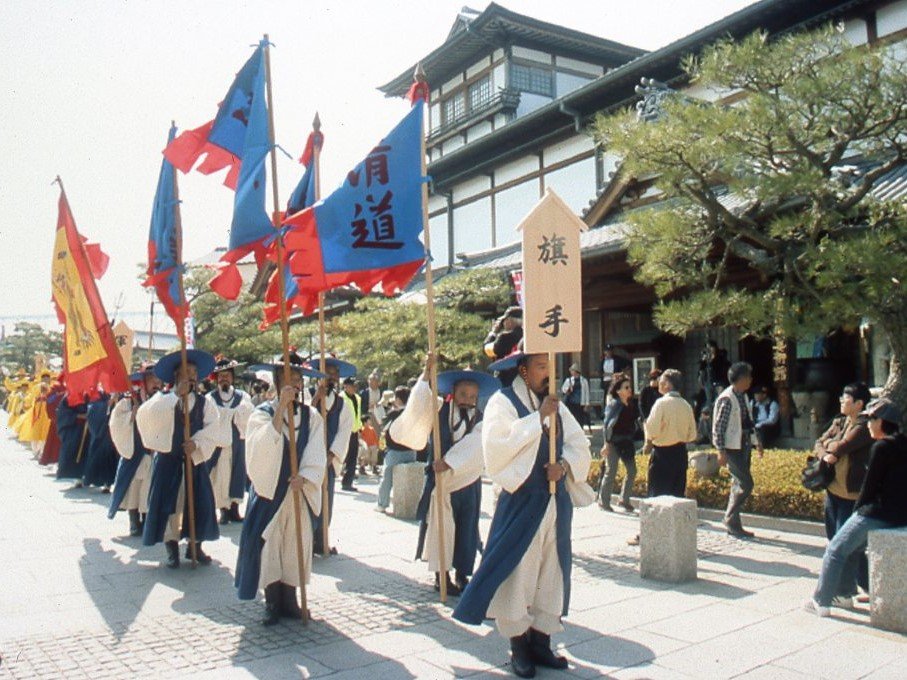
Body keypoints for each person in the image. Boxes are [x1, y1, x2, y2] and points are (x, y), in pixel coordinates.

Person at [454, 350, 591, 678]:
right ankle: (518, 644)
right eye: (541, 366)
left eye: (550, 366)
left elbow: (577, 443)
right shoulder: (503, 402)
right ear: (524, 370)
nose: (548, 373)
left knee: (553, 569)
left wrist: (566, 465)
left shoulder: (555, 402)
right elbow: (497, 446)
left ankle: (542, 640)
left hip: (555, 501)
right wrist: (537, 419)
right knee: (519, 571)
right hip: (522, 498)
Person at [235, 354, 326, 625]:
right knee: (271, 546)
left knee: (294, 545)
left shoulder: (311, 416)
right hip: (271, 491)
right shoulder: (261, 413)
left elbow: (316, 451)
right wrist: (280, 409)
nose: (295, 386)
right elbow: (259, 448)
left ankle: (291, 599)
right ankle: (273, 601)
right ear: (277, 382)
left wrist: (307, 476)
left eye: (298, 381)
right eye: (289, 380)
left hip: (298, 491)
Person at [402, 357, 499, 594]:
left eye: (473, 396)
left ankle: (462, 574)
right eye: (464, 394)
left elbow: (479, 444)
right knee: (440, 528)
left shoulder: (482, 417)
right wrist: (426, 374)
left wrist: (449, 461)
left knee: (467, 529)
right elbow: (418, 405)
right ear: (453, 392)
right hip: (440, 482)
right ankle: (441, 575)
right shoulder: (438, 410)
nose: (468, 400)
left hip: (467, 480)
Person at [805, 398, 907, 616]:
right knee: (854, 548)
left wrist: (857, 512)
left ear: (883, 422)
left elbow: (869, 487)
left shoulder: (881, 447)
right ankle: (844, 595)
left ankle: (821, 601)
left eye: (872, 419)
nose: (868, 423)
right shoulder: (903, 444)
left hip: (878, 513)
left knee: (835, 549)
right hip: (900, 515)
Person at [137, 349, 221, 568]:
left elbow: (214, 427)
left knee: (199, 503)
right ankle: (171, 547)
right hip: (168, 461)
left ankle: (196, 546)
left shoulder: (205, 403)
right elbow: (148, 416)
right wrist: (175, 396)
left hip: (194, 460)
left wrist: (198, 443)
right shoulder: (162, 399)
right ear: (175, 376)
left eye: (194, 371)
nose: (191, 376)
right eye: (186, 372)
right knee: (170, 505)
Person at [813, 382, 873, 604]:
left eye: (845, 399)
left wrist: (832, 449)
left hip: (851, 494)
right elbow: (819, 442)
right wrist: (827, 450)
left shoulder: (864, 425)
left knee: (843, 543)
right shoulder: (840, 421)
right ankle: (873, 585)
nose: (841, 401)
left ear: (858, 404)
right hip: (833, 490)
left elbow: (843, 446)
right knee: (839, 541)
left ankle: (845, 592)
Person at [306, 356, 355, 556]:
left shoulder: (342, 403)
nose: (331, 377)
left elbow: (345, 431)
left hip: (327, 458)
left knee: (326, 500)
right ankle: (306, 540)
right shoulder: (306, 394)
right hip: (308, 456)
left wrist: (332, 454)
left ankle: (322, 539)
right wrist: (316, 398)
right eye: (327, 372)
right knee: (308, 498)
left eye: (334, 374)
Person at [107, 364, 162, 537]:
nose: (156, 383)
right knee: (133, 489)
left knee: (148, 488)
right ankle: (133, 521)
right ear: (143, 382)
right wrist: (131, 415)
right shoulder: (129, 401)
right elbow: (115, 422)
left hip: (154, 451)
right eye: (151, 379)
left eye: (158, 380)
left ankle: (147, 520)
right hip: (134, 450)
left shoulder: (163, 401)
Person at [713, 362, 763, 538]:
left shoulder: (743, 396)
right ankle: (729, 517)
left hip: (744, 443)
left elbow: (748, 422)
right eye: (748, 376)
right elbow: (719, 426)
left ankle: (733, 523)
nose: (750, 380)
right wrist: (720, 450)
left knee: (738, 484)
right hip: (732, 447)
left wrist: (757, 443)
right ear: (741, 379)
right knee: (746, 483)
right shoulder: (727, 398)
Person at [206, 357, 254, 525]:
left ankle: (234, 509)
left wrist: (231, 414)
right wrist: (229, 414)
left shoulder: (243, 397)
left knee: (238, 474)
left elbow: (247, 416)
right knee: (221, 477)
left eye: (227, 375)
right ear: (216, 379)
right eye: (221, 376)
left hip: (238, 442)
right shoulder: (210, 398)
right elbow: (211, 418)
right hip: (220, 444)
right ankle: (223, 510)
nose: (224, 379)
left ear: (232, 377)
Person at [644, 369, 697, 498]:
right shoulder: (686, 405)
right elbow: (692, 435)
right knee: (677, 497)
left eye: (661, 380)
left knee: (658, 498)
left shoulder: (661, 403)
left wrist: (648, 434)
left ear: (667, 384)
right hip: (680, 453)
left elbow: (652, 430)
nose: (658, 383)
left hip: (662, 455)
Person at [598, 376, 639, 513]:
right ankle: (604, 501)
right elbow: (607, 425)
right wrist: (606, 443)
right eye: (626, 387)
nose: (629, 390)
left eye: (629, 387)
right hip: (614, 442)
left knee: (632, 470)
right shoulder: (614, 405)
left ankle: (624, 500)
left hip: (626, 442)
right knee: (611, 471)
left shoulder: (631, 404)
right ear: (618, 391)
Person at [375, 385, 417, 513]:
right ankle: (410, 505)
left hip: (394, 451)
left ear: (398, 399)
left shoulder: (394, 413)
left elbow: (381, 424)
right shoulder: (413, 413)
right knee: (409, 480)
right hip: (411, 451)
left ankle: (382, 504)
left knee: (387, 479)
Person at [82, 391, 119, 493]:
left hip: (116, 429)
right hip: (103, 431)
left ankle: (110, 482)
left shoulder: (121, 393)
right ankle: (105, 483)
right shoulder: (99, 394)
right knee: (102, 456)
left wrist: (117, 402)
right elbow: (93, 409)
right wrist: (108, 403)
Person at [483, 306, 523, 387]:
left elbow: (486, 350)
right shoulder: (527, 337)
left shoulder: (504, 337)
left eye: (504, 320)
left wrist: (493, 332)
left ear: (509, 321)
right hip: (523, 378)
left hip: (505, 379)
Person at [340, 377, 363, 492]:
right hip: (344, 430)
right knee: (342, 455)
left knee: (353, 457)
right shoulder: (341, 398)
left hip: (354, 431)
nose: (355, 388)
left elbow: (358, 414)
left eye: (355, 386)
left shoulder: (357, 398)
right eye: (352, 385)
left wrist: (359, 427)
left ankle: (347, 482)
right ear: (346, 386)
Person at [561, 363, 591, 434]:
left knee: (580, 418)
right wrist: (569, 388)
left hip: (580, 402)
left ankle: (580, 431)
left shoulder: (584, 381)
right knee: (572, 418)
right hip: (571, 402)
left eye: (572, 370)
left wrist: (587, 404)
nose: (571, 372)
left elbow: (586, 392)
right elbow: (563, 389)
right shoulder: (569, 380)